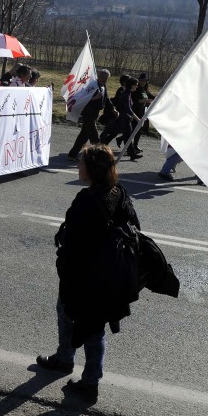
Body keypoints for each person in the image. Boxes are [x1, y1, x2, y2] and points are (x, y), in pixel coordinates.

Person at [36, 144, 140, 402]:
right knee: (88, 323)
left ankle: (88, 381)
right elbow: (134, 227)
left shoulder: (88, 200)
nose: (78, 166)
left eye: (81, 162)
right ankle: (66, 359)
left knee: (86, 324)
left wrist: (66, 260)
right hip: (110, 275)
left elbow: (75, 242)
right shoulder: (119, 193)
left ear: (91, 169)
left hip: (87, 277)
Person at [67, 69, 112, 161]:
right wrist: (95, 97)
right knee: (94, 137)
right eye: (102, 77)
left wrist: (113, 109)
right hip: (88, 113)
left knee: (83, 136)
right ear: (98, 76)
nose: (104, 79)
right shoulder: (92, 85)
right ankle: (99, 157)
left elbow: (106, 98)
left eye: (106, 78)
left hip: (95, 113)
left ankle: (72, 154)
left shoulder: (103, 86)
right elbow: (82, 98)